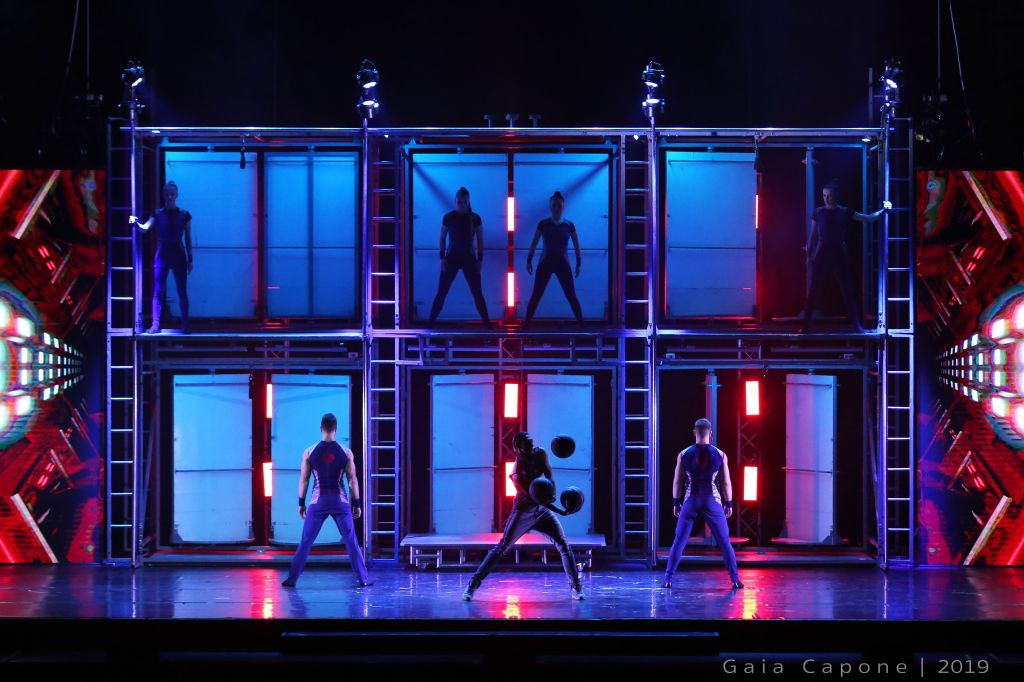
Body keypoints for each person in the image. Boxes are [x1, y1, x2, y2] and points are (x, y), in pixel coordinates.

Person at [462, 432, 584, 601]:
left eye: (532, 441)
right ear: (519, 447)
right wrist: (559, 510)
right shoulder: (517, 472)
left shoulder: (540, 453)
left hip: (542, 511)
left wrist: (554, 494)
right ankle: (472, 585)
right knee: (502, 547)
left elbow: (549, 475)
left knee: (563, 545)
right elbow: (535, 497)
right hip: (524, 512)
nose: (532, 444)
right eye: (527, 443)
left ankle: (576, 587)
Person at [282, 413, 372, 588]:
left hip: (318, 502)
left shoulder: (309, 452)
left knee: (306, 541)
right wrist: (357, 504)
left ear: (321, 428)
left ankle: (291, 579)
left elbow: (304, 479)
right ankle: (363, 579)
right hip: (340, 502)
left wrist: (301, 503)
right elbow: (352, 481)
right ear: (336, 429)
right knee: (351, 541)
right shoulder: (346, 452)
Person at [800, 179, 891, 332]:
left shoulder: (844, 211)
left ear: (836, 195)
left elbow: (867, 218)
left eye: (829, 195)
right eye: (824, 195)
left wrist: (883, 210)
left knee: (847, 290)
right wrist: (809, 255)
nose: (826, 198)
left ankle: (857, 325)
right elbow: (813, 235)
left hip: (838, 253)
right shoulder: (818, 212)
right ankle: (806, 326)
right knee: (814, 290)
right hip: (823, 252)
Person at [662, 418, 743, 589]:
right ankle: (735, 580)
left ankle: (668, 579)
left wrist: (676, 502)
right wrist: (729, 503)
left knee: (679, 541)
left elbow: (677, 482)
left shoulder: (683, 454)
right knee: (724, 542)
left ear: (694, 432)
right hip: (711, 501)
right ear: (710, 433)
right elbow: (726, 482)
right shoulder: (721, 455)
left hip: (691, 501)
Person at [131, 180, 192, 334]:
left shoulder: (184, 214)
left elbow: (188, 238)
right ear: (164, 195)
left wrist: (190, 258)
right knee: (158, 291)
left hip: (178, 253)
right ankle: (155, 325)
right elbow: (145, 228)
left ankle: (185, 324)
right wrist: (136, 224)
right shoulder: (157, 213)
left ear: (177, 195)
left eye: (172, 194)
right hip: (162, 254)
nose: (169, 196)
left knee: (182, 291)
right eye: (167, 194)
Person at [428, 186, 492, 327]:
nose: (462, 204)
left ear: (468, 202)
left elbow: (480, 239)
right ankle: (429, 325)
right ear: (455, 201)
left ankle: (488, 326)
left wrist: (480, 259)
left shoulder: (475, 218)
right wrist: (442, 258)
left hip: (469, 258)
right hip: (452, 258)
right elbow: (442, 238)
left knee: (478, 294)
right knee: (441, 293)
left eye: (465, 202)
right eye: (459, 202)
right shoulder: (449, 217)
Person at [523, 191, 584, 327]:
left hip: (563, 264)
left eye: (559, 206)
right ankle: (526, 325)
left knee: (571, 296)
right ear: (550, 207)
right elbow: (534, 243)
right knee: (536, 295)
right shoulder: (543, 224)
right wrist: (529, 260)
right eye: (554, 206)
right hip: (545, 263)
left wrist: (579, 263)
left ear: (563, 207)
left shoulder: (569, 225)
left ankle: (582, 326)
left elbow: (577, 245)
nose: (556, 208)